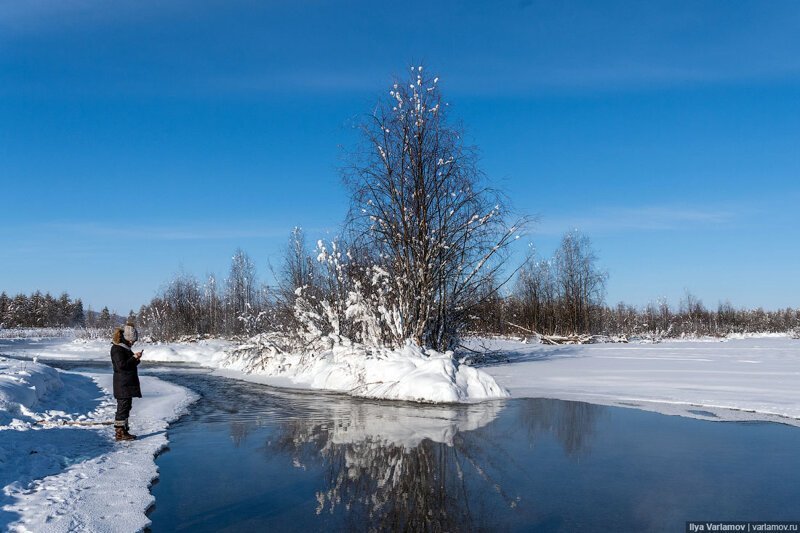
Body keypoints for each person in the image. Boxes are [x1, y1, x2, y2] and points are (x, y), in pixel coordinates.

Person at [110, 322, 143, 441]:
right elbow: (121, 366)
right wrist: (134, 358)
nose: (133, 343)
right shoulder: (117, 349)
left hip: (126, 383)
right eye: (133, 341)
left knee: (126, 406)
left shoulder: (124, 348)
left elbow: (128, 364)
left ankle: (124, 430)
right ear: (128, 338)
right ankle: (119, 433)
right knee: (123, 407)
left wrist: (135, 359)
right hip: (122, 383)